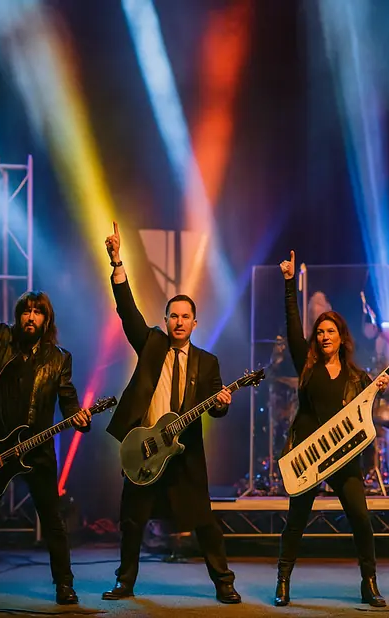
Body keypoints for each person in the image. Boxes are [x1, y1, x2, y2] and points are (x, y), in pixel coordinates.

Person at [100, 222, 240, 603]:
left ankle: (224, 583)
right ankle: (124, 582)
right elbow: (127, 311)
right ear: (165, 320)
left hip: (184, 455)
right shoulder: (151, 344)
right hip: (145, 446)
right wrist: (117, 263)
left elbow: (217, 407)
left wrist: (223, 404)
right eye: (172, 316)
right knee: (132, 521)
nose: (178, 322)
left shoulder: (207, 363)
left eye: (185, 317)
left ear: (195, 323)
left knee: (205, 522)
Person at [0, 217, 91, 604]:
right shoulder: (1, 340)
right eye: (25, 311)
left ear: (47, 319)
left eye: (37, 312)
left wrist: (79, 417)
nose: (30, 317)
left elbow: (68, 399)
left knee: (53, 521)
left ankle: (64, 584)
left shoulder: (59, 358)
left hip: (38, 450)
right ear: (18, 316)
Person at [274, 250, 389, 608]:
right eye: (320, 332)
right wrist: (290, 283)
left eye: (330, 331)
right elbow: (294, 324)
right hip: (309, 454)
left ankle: (369, 584)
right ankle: (282, 582)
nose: (324, 336)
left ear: (341, 336)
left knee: (360, 518)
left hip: (343, 456)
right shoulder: (307, 366)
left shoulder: (358, 376)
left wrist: (377, 392)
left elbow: (366, 415)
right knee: (296, 521)